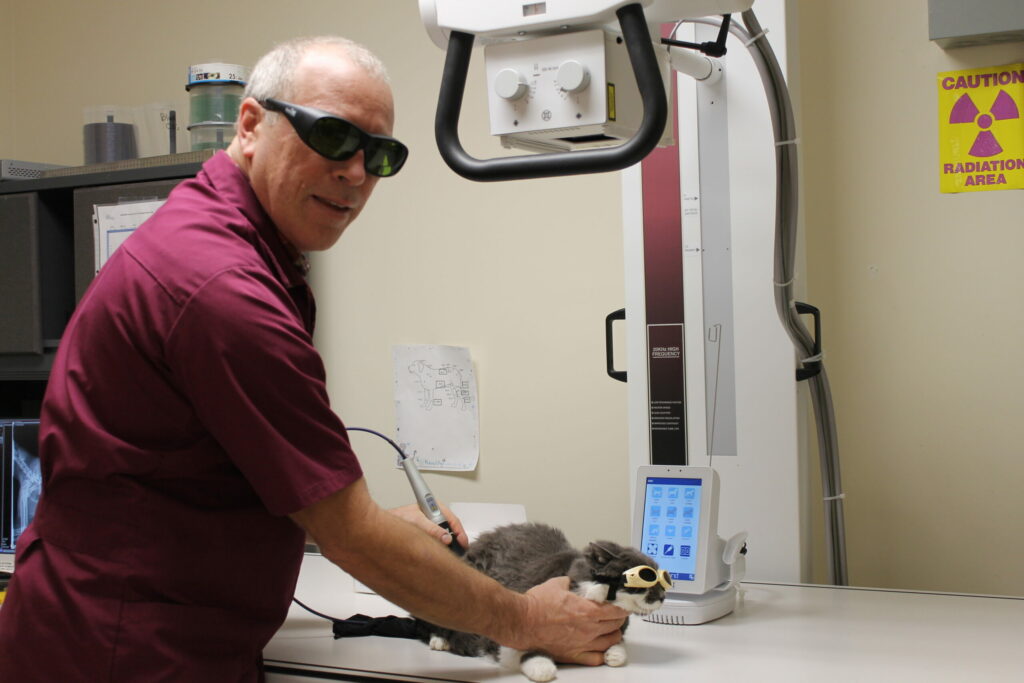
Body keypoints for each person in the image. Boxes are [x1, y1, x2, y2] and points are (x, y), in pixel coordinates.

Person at [0, 36, 627, 681]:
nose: (356, 173)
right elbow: (350, 534)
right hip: (118, 651)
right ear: (250, 125)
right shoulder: (222, 289)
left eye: (379, 154)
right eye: (332, 136)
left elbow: (195, 480)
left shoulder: (231, 242)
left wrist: (365, 527)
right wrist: (526, 620)